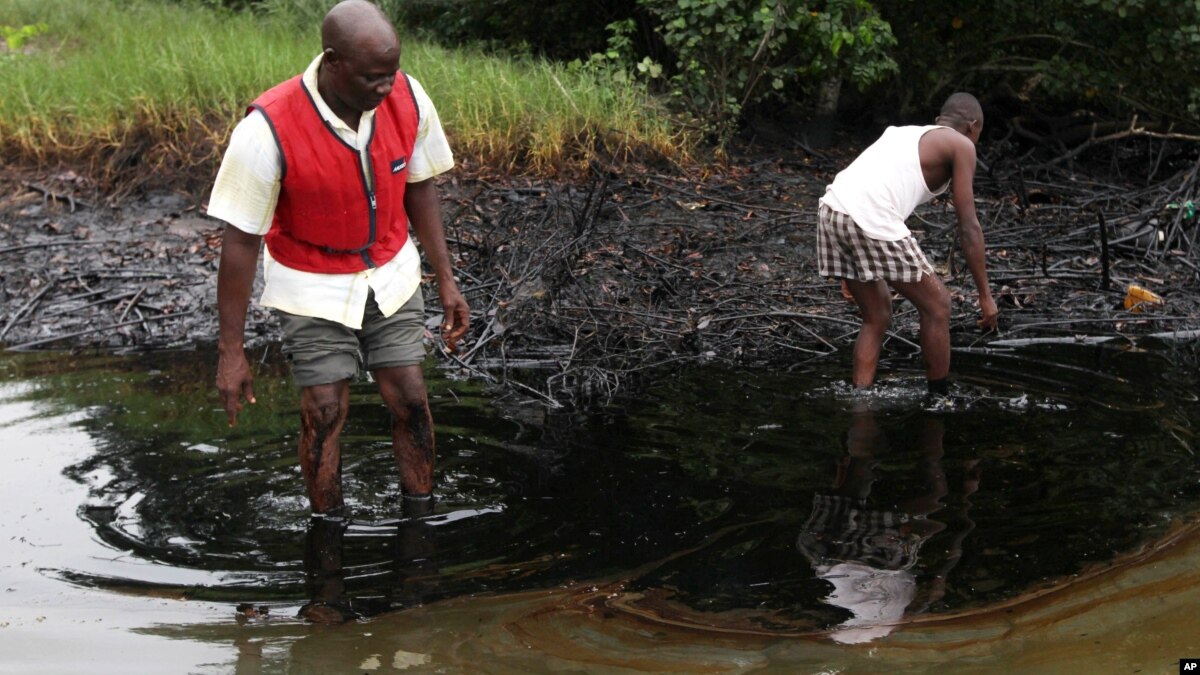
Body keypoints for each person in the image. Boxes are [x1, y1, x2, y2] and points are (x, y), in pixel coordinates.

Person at [209, 0, 469, 518]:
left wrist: (446, 278)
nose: (387, 87)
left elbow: (420, 186)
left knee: (412, 398)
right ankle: (327, 531)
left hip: (391, 270)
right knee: (325, 409)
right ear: (332, 61)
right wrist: (230, 352)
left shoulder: (409, 97)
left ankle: (422, 517)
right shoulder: (268, 129)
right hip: (311, 281)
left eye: (392, 73)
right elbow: (240, 243)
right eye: (374, 77)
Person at [817, 92, 998, 395]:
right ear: (973, 125)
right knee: (938, 306)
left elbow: (866, 184)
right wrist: (985, 295)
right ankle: (938, 401)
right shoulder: (962, 144)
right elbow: (968, 226)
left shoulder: (902, 133)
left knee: (876, 316)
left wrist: (852, 261)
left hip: (832, 210)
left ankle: (860, 400)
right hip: (869, 215)